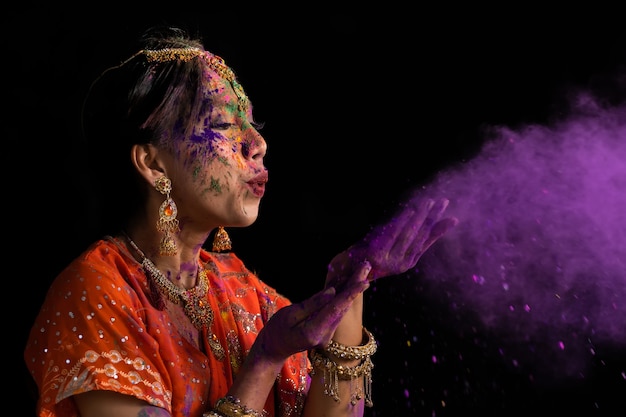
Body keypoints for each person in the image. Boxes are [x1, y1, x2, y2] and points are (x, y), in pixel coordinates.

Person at [23, 25, 458, 417]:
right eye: (224, 124)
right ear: (153, 164)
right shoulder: (98, 290)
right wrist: (266, 359)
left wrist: (352, 287)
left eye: (252, 123)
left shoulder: (244, 294)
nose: (258, 144)